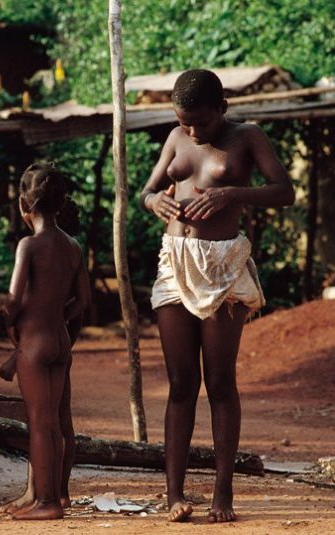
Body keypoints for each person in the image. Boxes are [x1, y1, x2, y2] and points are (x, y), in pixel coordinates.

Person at [140, 69, 294, 523]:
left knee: (220, 383)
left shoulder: (248, 136)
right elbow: (148, 190)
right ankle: (174, 495)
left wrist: (233, 194)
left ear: (222, 108)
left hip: (222, 266)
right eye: (184, 121)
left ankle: (222, 494)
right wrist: (155, 203)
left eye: (201, 123)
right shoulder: (174, 137)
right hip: (175, 263)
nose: (192, 131)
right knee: (180, 382)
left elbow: (284, 191)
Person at [3, 163, 90, 521]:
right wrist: (56, 314)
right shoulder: (72, 246)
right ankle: (48, 496)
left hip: (35, 343)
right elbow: (83, 301)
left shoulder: (29, 245)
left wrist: (12, 326)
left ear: (25, 203)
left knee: (39, 424)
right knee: (53, 422)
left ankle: (47, 503)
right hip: (60, 340)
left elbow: (12, 298)